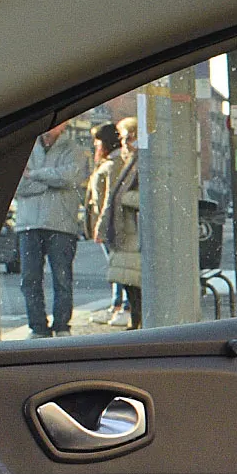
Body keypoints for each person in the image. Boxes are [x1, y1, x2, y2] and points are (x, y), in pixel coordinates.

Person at [12, 121, 91, 337]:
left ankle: (62, 326)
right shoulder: (26, 148)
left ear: (64, 125)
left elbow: (71, 178)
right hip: (29, 223)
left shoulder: (73, 150)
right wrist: (52, 179)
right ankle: (37, 327)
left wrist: (35, 174)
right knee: (29, 279)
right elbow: (16, 184)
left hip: (62, 224)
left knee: (62, 278)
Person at [85, 121, 129, 326]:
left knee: (119, 267)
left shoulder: (113, 164)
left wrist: (101, 226)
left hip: (113, 223)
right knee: (116, 266)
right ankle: (116, 305)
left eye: (98, 142)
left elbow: (110, 199)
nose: (95, 146)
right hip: (110, 222)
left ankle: (123, 307)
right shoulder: (111, 162)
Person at [99, 120, 142, 329]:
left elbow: (150, 198)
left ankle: (137, 321)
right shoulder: (130, 162)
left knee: (134, 282)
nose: (124, 143)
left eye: (127, 138)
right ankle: (135, 321)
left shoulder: (141, 162)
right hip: (125, 232)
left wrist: (126, 198)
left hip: (134, 232)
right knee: (128, 281)